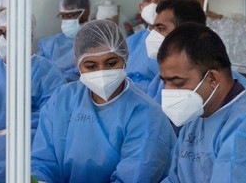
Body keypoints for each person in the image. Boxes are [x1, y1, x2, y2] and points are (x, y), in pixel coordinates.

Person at [31, 20, 176, 182]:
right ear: (78, 65)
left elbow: (133, 177)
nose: (102, 72)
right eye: (91, 66)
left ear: (125, 58)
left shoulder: (146, 114)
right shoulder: (63, 99)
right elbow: (42, 160)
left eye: (111, 63)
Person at [158, 23, 246, 183]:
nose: (169, 91)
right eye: (165, 82)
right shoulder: (198, 114)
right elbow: (175, 179)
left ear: (212, 79)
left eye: (178, 83)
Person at [0, 9, 67, 183]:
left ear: (26, 36)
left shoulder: (46, 72)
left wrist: (15, 130)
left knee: (7, 150)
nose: (1, 39)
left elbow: (54, 116)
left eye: (8, 33)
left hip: (28, 138)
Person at [146, 0, 246, 104]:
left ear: (184, 30)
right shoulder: (162, 79)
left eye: (161, 28)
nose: (153, 35)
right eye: (153, 28)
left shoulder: (235, 91)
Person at [126, 0, 171, 92]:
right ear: (141, 7)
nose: (152, 5)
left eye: (159, 0)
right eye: (147, 0)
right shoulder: (131, 42)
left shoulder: (174, 42)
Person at [37, 0, 90, 82]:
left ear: (85, 14)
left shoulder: (96, 41)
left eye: (70, 16)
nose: (66, 20)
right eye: (63, 16)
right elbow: (38, 71)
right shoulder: (48, 44)